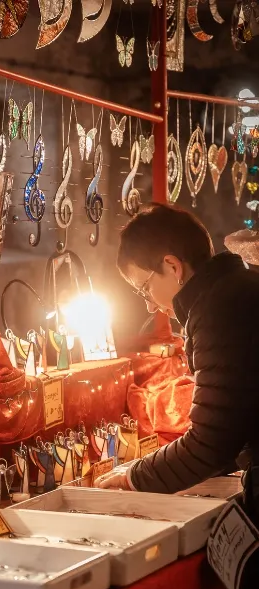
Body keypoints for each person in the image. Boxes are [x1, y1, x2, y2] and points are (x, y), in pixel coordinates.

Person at [96, 204, 259, 519]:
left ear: (172, 266)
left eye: (144, 289)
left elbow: (212, 443)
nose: (149, 306)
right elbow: (232, 429)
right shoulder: (236, 288)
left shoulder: (219, 310)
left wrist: (133, 478)